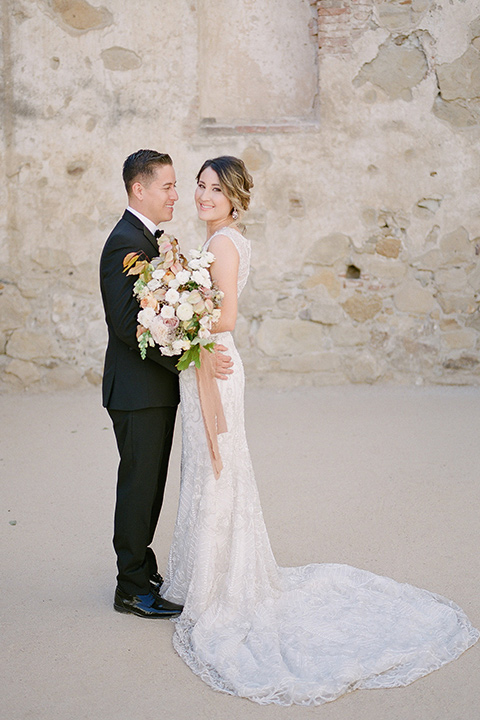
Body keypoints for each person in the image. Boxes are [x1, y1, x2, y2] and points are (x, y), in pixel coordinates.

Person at [160, 156, 479, 705]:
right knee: (207, 465)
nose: (203, 195)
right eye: (200, 186)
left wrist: (173, 319)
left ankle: (216, 589)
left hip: (215, 361)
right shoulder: (216, 241)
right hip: (202, 361)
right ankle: (202, 579)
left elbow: (228, 315)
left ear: (235, 199)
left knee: (218, 467)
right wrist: (181, 319)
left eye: (216, 189)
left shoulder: (224, 245)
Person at [99, 149, 232, 619]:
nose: (178, 195)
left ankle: (142, 566)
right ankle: (130, 587)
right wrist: (190, 359)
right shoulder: (125, 244)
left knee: (150, 483)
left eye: (178, 186)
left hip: (151, 391)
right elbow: (127, 324)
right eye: (169, 186)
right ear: (140, 189)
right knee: (139, 486)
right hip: (137, 392)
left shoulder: (148, 239)